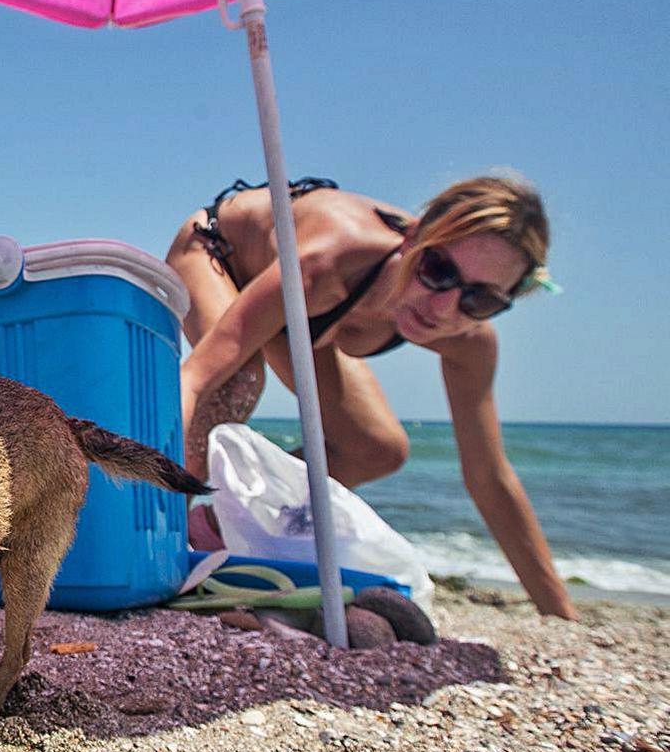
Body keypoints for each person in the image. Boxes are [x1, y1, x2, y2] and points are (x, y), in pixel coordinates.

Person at [166, 174, 577, 619]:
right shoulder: (330, 262)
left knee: (376, 449)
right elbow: (194, 381)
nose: (443, 309)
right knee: (235, 381)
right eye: (437, 270)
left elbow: (490, 477)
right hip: (220, 251)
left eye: (479, 300)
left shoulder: (470, 344)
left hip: (307, 314)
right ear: (413, 236)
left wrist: (558, 613)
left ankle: (218, 523)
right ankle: (165, 544)